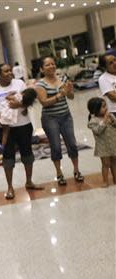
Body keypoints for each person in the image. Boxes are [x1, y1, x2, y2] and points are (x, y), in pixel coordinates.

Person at [0, 63, 43, 199]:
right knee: (8, 158)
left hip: (24, 125)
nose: (9, 73)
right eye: (6, 71)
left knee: (27, 154)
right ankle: (10, 187)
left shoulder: (19, 83)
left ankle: (29, 182)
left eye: (10, 71)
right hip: (5, 128)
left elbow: (28, 100)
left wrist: (19, 104)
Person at [35, 56, 84, 186]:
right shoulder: (40, 84)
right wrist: (60, 95)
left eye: (52, 64)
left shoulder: (62, 78)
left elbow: (71, 97)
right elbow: (44, 102)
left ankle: (76, 170)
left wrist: (69, 91)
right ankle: (59, 173)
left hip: (66, 116)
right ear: (41, 69)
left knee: (72, 144)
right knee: (56, 146)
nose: (51, 66)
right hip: (50, 119)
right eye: (47, 65)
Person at [0, 88, 37, 153]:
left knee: (5, 131)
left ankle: (3, 145)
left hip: (5, 114)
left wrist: (10, 94)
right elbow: (24, 112)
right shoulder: (26, 102)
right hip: (11, 117)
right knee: (6, 132)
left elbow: (7, 97)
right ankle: (3, 146)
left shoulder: (18, 96)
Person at [87, 97, 116, 187]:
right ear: (95, 110)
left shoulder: (110, 116)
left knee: (114, 162)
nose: (106, 108)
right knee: (106, 164)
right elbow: (98, 131)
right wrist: (104, 120)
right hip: (103, 146)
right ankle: (105, 181)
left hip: (113, 143)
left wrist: (113, 120)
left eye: (105, 106)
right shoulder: (93, 121)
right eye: (103, 107)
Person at [98, 53, 116, 117]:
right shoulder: (103, 79)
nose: (115, 63)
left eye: (115, 60)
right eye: (111, 63)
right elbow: (113, 97)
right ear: (105, 67)